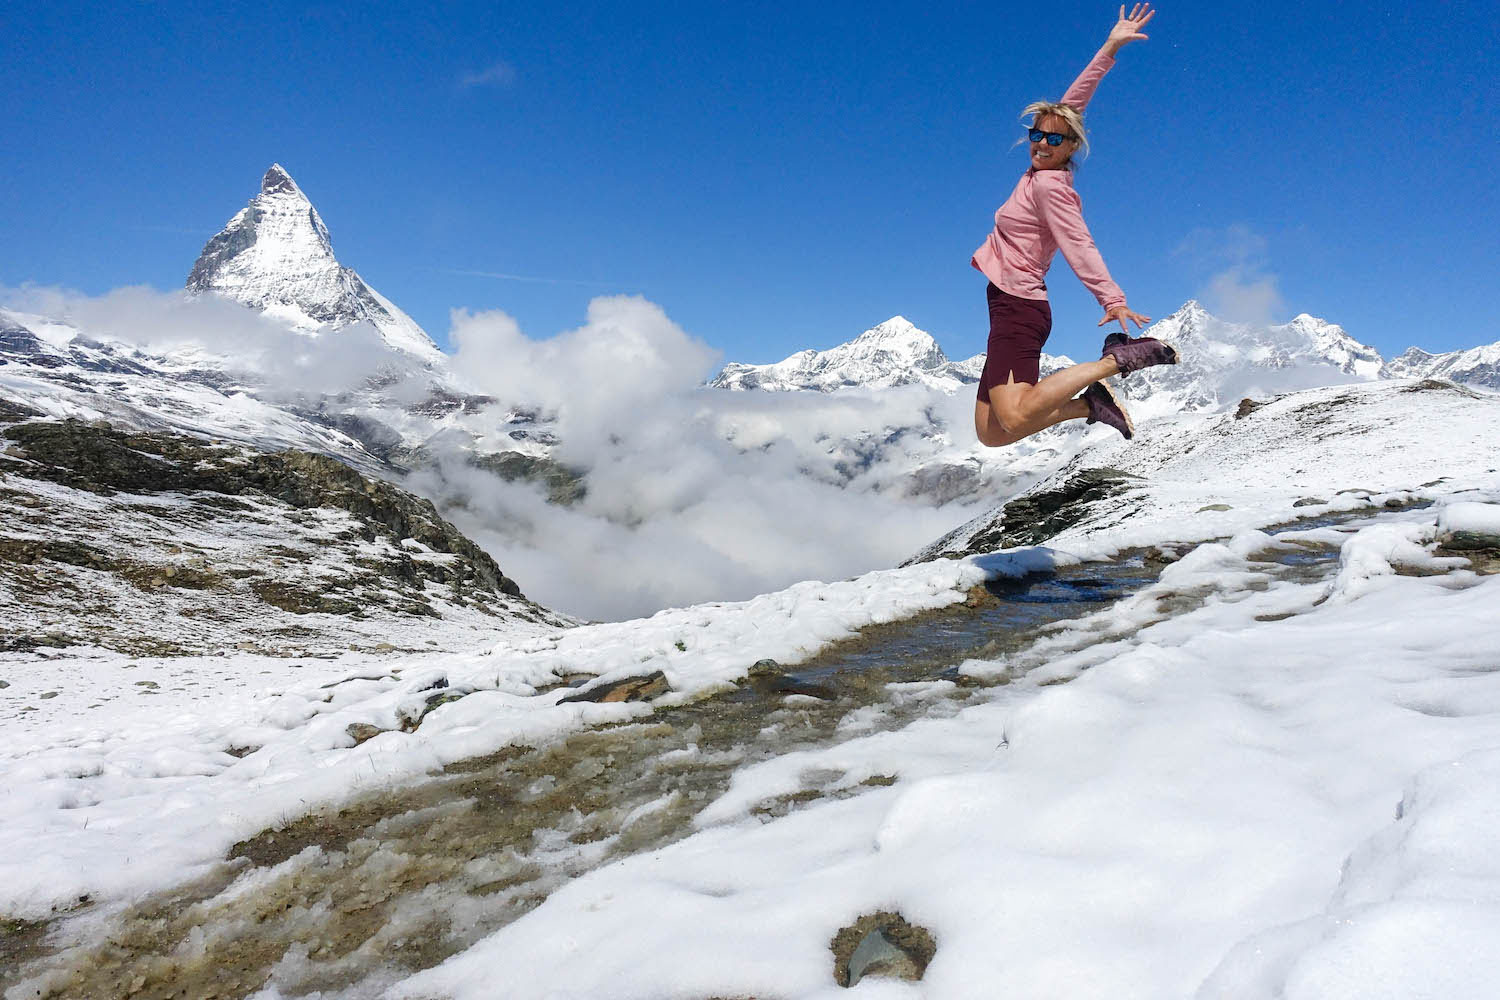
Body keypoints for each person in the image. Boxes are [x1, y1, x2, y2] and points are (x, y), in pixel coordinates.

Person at [972, 3, 1176, 446]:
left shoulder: (1050, 188)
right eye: (1036, 135)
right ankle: (1091, 404)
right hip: (1004, 304)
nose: (1042, 143)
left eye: (1054, 139)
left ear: (1071, 147)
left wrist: (1112, 299)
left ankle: (1115, 361)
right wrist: (1110, 48)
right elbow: (1071, 105)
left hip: (1019, 306)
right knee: (992, 433)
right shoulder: (1039, 171)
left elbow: (1078, 243)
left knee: (1017, 418)